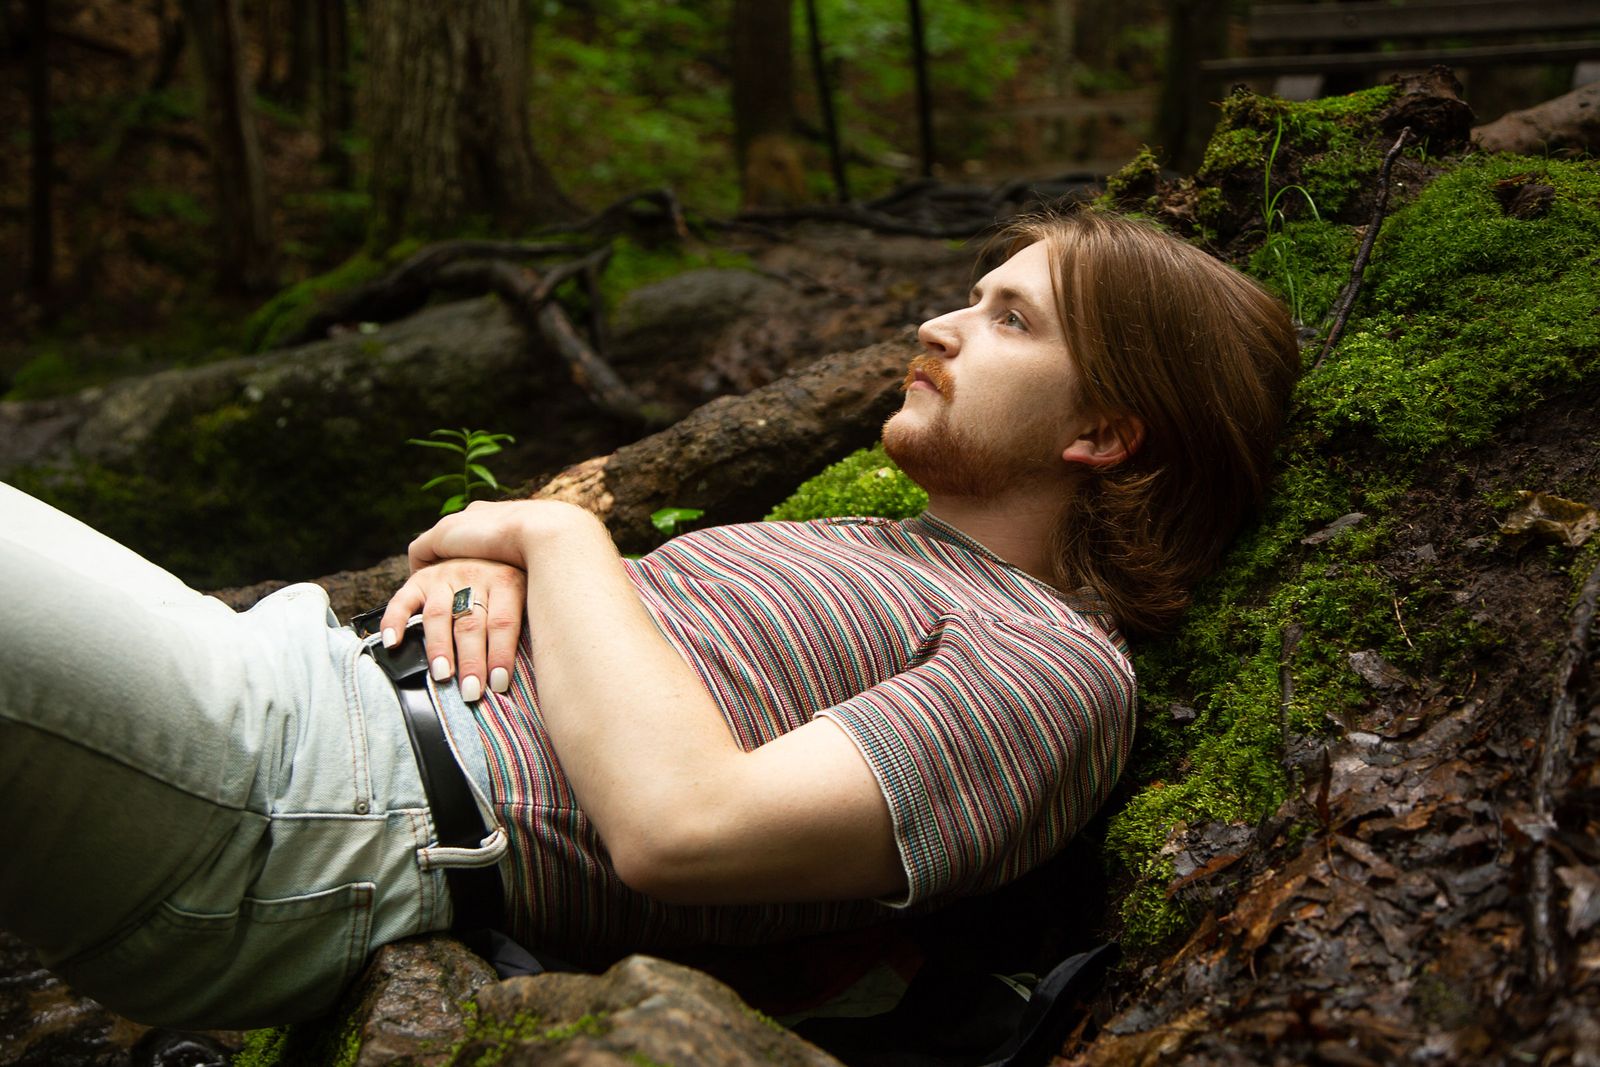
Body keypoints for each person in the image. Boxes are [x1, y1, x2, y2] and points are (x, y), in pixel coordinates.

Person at [0, 208, 1300, 1029]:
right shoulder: (879, 542)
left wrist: (556, 537)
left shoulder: (1055, 670)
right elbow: (587, 641)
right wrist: (502, 573)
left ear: (1104, 431)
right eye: (969, 295)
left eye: (1007, 319)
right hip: (294, 716)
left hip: (309, 812)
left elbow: (686, 830)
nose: (938, 324)